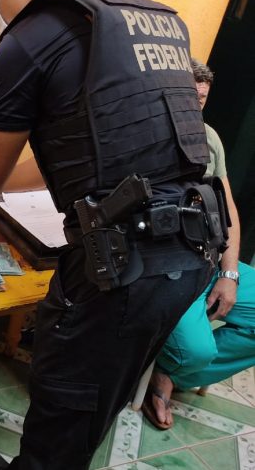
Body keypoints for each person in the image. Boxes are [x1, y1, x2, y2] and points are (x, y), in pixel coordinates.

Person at [0, 0, 219, 468]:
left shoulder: (29, 42)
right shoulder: (146, 17)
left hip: (122, 268)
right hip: (191, 247)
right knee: (98, 396)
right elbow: (77, 152)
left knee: (66, 399)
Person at [143, 59, 255, 430]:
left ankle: (170, 372)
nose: (194, 107)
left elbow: (228, 209)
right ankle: (176, 366)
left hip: (211, 258)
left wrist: (230, 273)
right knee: (197, 349)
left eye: (201, 99)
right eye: (186, 97)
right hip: (173, 267)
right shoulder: (144, 135)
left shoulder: (209, 138)